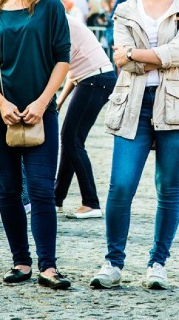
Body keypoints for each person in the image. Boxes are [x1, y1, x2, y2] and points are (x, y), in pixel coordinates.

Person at [90, 0, 179, 291]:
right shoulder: (125, 9)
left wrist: (144, 53)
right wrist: (169, 56)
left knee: (168, 187)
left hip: (174, 103)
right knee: (121, 185)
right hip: (133, 103)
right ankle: (113, 261)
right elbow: (121, 60)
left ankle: (158, 262)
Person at [0, 0, 72, 290]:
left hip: (39, 108)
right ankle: (21, 262)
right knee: (8, 189)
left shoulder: (50, 7)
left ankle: (49, 266)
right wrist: (1, 103)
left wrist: (44, 102)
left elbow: (63, 57)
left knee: (43, 190)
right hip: (0, 111)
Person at [54, 15, 117, 219]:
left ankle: (91, 203)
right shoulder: (63, 20)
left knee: (72, 140)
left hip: (95, 79)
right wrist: (59, 101)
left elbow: (60, 65)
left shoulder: (57, 21)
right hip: (93, 78)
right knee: (70, 139)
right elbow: (72, 70)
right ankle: (56, 199)